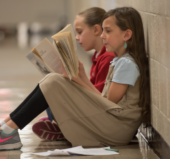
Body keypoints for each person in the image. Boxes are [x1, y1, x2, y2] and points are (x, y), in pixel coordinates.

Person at [0, 7, 151, 151]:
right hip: (112, 124)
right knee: (53, 81)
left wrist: (79, 80)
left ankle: (6, 132)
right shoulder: (120, 61)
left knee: (54, 82)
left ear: (127, 35)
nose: (103, 36)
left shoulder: (126, 64)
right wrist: (80, 78)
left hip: (117, 130)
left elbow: (109, 104)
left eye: (108, 31)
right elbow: (104, 101)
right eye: (103, 31)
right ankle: (5, 127)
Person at [33, 7, 115, 140]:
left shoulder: (108, 58)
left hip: (98, 114)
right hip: (93, 107)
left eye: (79, 32)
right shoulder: (97, 55)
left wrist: (75, 79)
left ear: (96, 30)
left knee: (53, 88)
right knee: (50, 87)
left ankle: (60, 125)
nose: (76, 38)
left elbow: (98, 99)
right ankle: (58, 122)